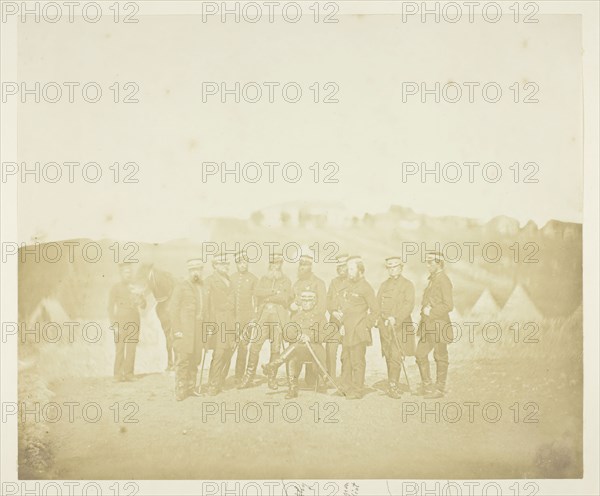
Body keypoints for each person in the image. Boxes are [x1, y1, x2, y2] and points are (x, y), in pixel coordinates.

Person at [238, 252, 292, 390]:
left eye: (278, 263)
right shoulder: (263, 279)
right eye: (273, 263)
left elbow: (285, 298)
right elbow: (257, 292)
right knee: (255, 345)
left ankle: (271, 378)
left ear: (281, 265)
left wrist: (268, 295)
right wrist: (274, 292)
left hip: (278, 318)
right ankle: (248, 377)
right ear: (270, 265)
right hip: (263, 316)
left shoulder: (286, 280)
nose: (275, 266)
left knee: (276, 348)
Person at [263, 291, 328, 399]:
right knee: (292, 356)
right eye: (304, 301)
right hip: (299, 351)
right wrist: (297, 336)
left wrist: (309, 337)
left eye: (309, 300)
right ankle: (292, 389)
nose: (306, 303)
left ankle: (273, 365)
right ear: (301, 302)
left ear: (314, 302)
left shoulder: (320, 317)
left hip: (314, 350)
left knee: (294, 348)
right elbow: (288, 333)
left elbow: (325, 334)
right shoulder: (296, 317)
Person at [338, 256, 379, 400]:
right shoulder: (348, 285)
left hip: (358, 331)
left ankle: (357, 390)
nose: (348, 271)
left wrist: (365, 325)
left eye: (351, 269)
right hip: (347, 330)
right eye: (348, 268)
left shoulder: (366, 287)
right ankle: (345, 387)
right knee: (345, 359)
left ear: (360, 270)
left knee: (357, 361)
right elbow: (346, 308)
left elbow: (375, 311)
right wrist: (342, 324)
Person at [415, 251, 454, 399]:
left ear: (439, 263)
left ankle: (439, 389)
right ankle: (427, 386)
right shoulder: (433, 279)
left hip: (440, 325)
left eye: (430, 262)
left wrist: (431, 312)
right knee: (419, 354)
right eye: (427, 262)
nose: (427, 265)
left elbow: (449, 305)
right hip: (428, 326)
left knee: (440, 356)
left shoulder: (443, 280)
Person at [376, 257, 415, 399]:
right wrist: (377, 318)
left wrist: (396, 318)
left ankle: (393, 385)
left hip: (400, 326)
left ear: (401, 267)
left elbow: (408, 305)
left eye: (395, 266)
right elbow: (377, 303)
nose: (392, 269)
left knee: (396, 354)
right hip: (385, 326)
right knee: (388, 354)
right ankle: (393, 382)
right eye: (389, 267)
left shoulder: (407, 285)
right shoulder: (383, 285)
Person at [169, 258, 207, 401]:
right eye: (193, 270)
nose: (196, 273)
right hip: (185, 330)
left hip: (198, 329)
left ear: (201, 271)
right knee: (183, 360)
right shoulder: (181, 286)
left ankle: (191, 388)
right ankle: (180, 390)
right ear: (189, 271)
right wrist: (177, 329)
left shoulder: (202, 286)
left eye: (198, 269)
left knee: (195, 359)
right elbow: (173, 309)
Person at [204, 252, 237, 396]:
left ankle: (221, 381)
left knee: (229, 351)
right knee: (219, 352)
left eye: (227, 264)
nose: (226, 266)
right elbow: (206, 305)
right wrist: (209, 324)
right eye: (222, 264)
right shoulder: (209, 281)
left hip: (230, 320)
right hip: (218, 320)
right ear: (215, 265)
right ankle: (213, 384)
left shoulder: (229, 280)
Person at [108, 262, 146, 382]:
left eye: (130, 272)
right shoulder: (115, 288)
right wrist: (114, 325)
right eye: (126, 272)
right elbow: (110, 307)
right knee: (119, 348)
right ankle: (118, 375)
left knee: (131, 348)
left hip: (134, 321)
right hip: (120, 322)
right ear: (121, 273)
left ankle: (129, 374)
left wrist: (140, 299)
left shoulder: (136, 287)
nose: (128, 274)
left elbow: (144, 305)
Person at [230, 250, 258, 384]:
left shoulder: (253, 279)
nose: (243, 265)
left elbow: (256, 300)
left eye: (245, 262)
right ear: (236, 264)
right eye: (240, 263)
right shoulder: (231, 278)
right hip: (233, 318)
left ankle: (239, 376)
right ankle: (221, 375)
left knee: (243, 347)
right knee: (229, 346)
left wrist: (254, 317)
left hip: (248, 319)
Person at [325, 254, 350, 381]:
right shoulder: (334, 282)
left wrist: (345, 319)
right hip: (334, 321)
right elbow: (328, 300)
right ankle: (331, 378)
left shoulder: (354, 281)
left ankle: (346, 379)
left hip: (350, 323)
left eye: (344, 265)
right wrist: (333, 311)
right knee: (330, 349)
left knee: (347, 352)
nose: (341, 268)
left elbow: (357, 304)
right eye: (339, 266)